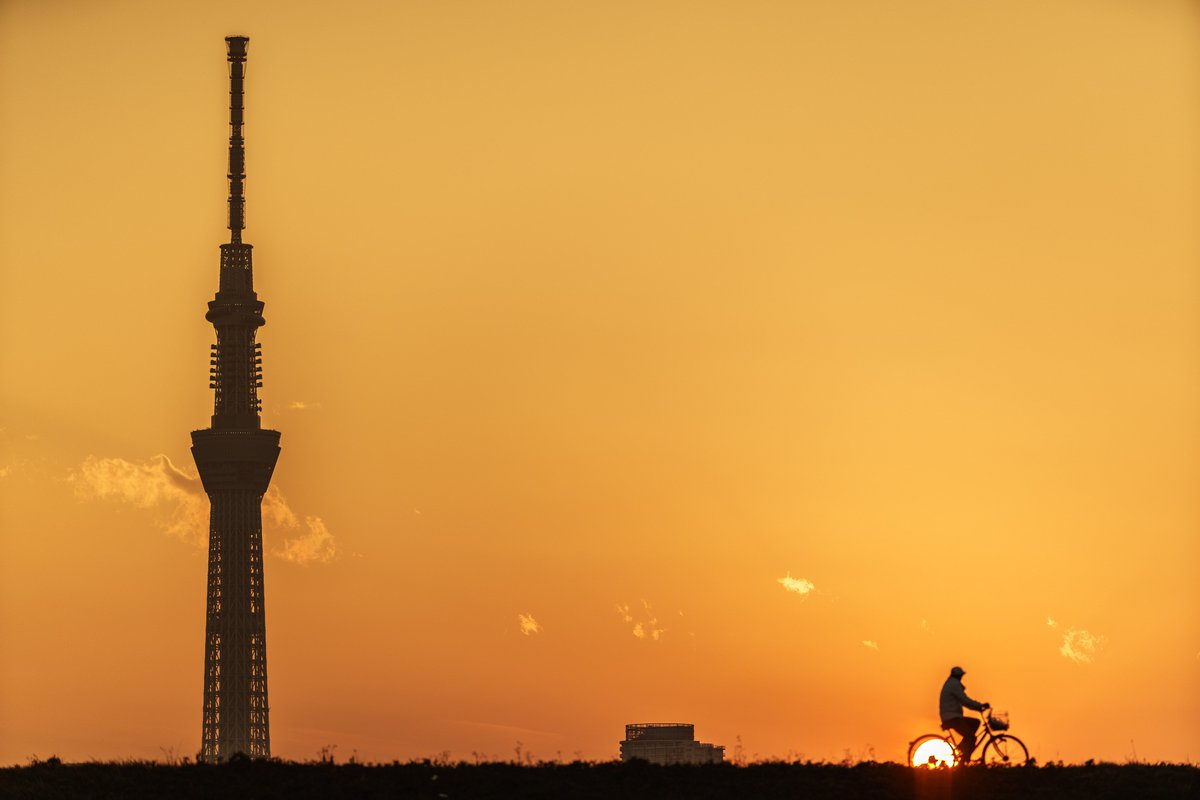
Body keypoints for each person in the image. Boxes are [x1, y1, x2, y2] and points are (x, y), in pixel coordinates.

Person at [939, 666, 989, 762]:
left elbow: (964, 701)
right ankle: (963, 762)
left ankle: (963, 747)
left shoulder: (951, 683)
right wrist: (979, 706)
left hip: (953, 716)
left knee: (975, 723)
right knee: (972, 738)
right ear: (959, 676)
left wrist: (977, 707)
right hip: (952, 718)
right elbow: (964, 700)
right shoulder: (954, 684)